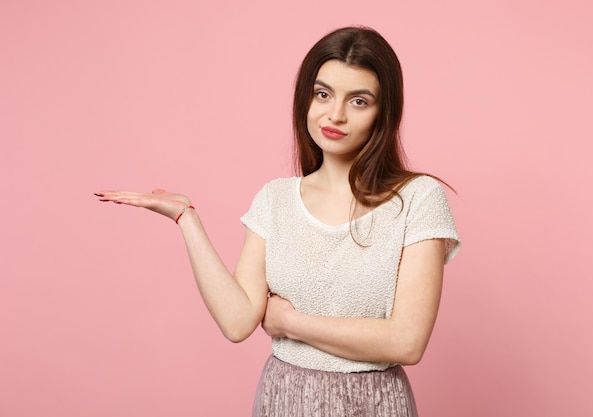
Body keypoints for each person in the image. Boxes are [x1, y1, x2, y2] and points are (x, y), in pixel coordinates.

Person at [95, 26, 460, 417]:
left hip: (374, 404)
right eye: (323, 94)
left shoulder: (418, 198)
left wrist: (291, 322)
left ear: (383, 113)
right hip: (284, 399)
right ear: (305, 98)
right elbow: (237, 323)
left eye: (358, 100)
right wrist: (186, 218)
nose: (334, 114)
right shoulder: (275, 199)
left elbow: (407, 342)